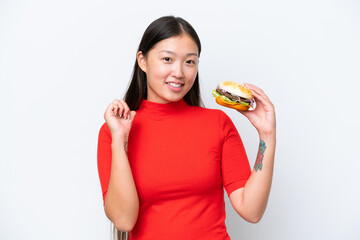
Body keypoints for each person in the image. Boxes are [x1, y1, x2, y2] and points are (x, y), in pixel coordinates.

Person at [97, 16, 276, 240]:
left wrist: (266, 135)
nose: (179, 72)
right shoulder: (113, 132)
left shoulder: (217, 123)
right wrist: (120, 139)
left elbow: (251, 210)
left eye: (189, 61)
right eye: (167, 59)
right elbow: (124, 220)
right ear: (142, 61)